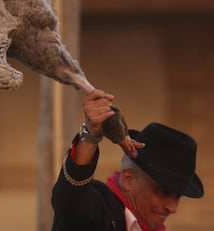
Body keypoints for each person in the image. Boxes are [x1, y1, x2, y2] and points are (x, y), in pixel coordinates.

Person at [51, 89, 204, 231]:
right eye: (164, 192)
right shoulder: (96, 211)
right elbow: (70, 201)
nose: (173, 208)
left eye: (178, 196)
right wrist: (90, 137)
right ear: (128, 179)